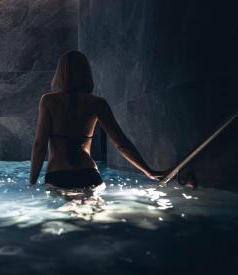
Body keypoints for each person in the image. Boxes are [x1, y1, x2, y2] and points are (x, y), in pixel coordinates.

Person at [29, 50, 168, 188]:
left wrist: (32, 182)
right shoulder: (97, 103)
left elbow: (40, 145)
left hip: (59, 175)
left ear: (60, 74)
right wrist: (149, 171)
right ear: (86, 73)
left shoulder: (49, 101)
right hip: (89, 174)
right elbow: (121, 143)